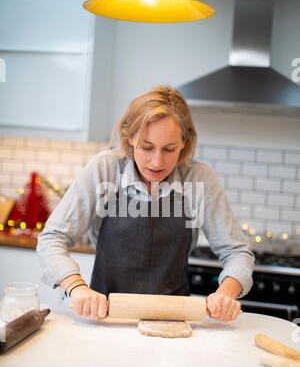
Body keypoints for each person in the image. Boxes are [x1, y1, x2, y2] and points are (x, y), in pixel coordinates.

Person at [37, 85, 254, 322]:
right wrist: (77, 288)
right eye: (147, 147)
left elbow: (237, 252)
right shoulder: (105, 168)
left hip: (174, 321)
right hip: (105, 318)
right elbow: (52, 238)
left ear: (184, 141)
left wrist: (225, 294)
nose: (157, 162)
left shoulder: (199, 178)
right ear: (130, 138)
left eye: (169, 149)